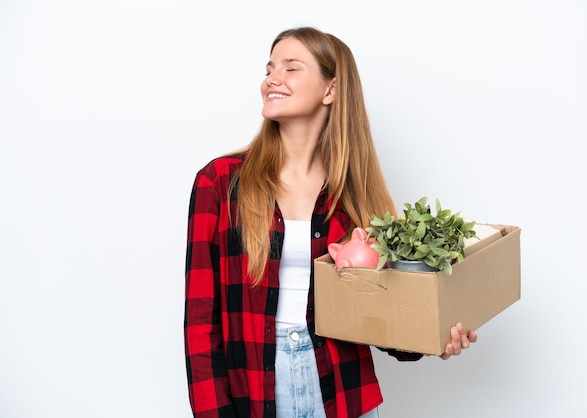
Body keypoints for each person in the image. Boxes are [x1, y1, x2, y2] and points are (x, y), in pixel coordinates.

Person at [184, 26, 478, 418]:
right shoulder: (219, 183)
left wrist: (435, 335)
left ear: (331, 90)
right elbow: (201, 325)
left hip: (341, 391)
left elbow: (383, 313)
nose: (272, 79)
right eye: (269, 68)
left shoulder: (356, 197)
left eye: (291, 68)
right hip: (256, 391)